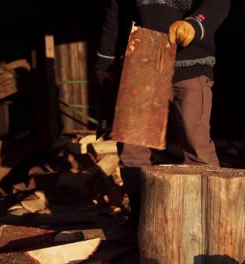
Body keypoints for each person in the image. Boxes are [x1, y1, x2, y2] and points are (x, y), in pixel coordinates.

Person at [95, 0, 230, 222]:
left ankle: (205, 216)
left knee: (195, 141)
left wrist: (196, 24)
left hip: (190, 61)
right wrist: (105, 62)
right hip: (143, 58)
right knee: (132, 148)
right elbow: (115, 14)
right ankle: (143, 216)